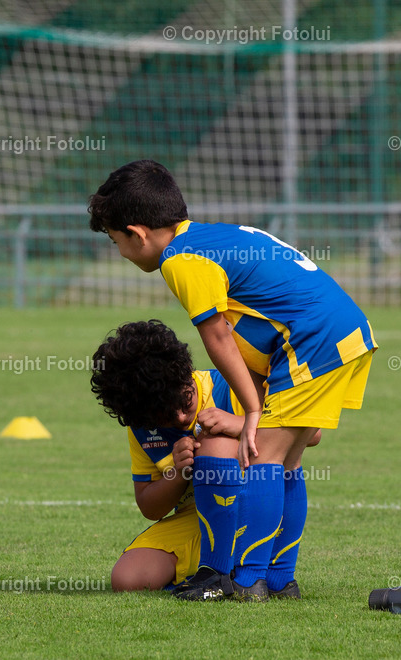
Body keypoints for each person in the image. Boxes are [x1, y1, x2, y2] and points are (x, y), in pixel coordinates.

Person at [89, 160, 376, 601]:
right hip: (342, 333)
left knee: (266, 460)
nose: (123, 254)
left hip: (310, 342)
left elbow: (217, 333)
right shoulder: (210, 237)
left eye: (117, 242)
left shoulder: (179, 260)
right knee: (288, 461)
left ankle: (245, 580)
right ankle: (279, 580)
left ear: (138, 233)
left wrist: (253, 410)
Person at [91, 320, 316, 599]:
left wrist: (240, 424)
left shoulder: (231, 384)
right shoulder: (142, 427)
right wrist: (178, 472)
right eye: (164, 418)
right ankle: (220, 568)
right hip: (197, 519)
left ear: (186, 373)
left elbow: (313, 433)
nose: (182, 419)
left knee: (215, 445)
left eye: (186, 403)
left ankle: (221, 573)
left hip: (252, 510)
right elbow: (150, 507)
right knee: (127, 578)